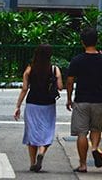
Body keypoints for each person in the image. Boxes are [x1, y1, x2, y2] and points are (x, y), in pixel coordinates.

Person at [65, 27, 102, 173]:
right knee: (96, 129)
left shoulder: (77, 60)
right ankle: (94, 148)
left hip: (81, 100)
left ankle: (83, 164)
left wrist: (69, 98)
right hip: (99, 100)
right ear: (97, 41)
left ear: (82, 42)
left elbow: (69, 81)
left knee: (82, 133)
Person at [13, 43, 62, 173]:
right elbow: (60, 86)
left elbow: (24, 89)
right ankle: (42, 152)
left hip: (32, 104)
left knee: (32, 132)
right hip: (48, 104)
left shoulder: (30, 69)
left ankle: (32, 162)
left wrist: (18, 106)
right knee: (47, 130)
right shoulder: (54, 69)